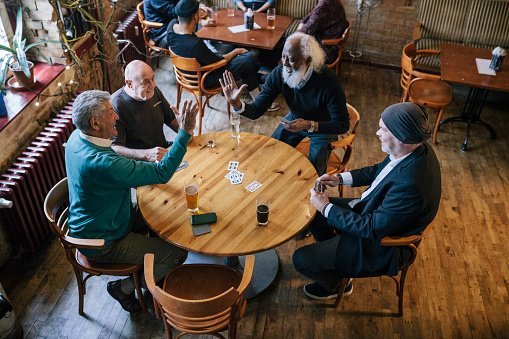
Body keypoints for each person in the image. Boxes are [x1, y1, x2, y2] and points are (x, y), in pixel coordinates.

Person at [292, 102, 442, 300]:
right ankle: (334, 253)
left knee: (300, 259)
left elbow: (371, 228)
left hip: (380, 245)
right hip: (373, 214)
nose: (377, 132)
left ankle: (335, 285)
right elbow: (379, 171)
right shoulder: (414, 149)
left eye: (383, 129)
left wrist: (326, 207)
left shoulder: (411, 186)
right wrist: (339, 178)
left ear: (401, 136)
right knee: (314, 214)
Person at [65, 90, 198, 312]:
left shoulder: (76, 138)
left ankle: (150, 270)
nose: (117, 116)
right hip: (104, 241)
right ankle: (125, 287)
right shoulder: (103, 163)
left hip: (103, 216)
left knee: (166, 214)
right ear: (95, 122)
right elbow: (162, 173)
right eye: (110, 112)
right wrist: (184, 132)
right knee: (177, 253)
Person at [220, 32, 349, 175]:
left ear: (308, 59)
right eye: (283, 56)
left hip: (323, 126)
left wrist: (309, 124)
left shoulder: (328, 82)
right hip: (295, 118)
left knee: (312, 169)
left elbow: (342, 125)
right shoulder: (278, 74)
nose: (285, 63)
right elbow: (257, 110)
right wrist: (237, 104)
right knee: (272, 151)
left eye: (292, 59)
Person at [166, 0, 271, 105]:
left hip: (187, 76)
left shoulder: (171, 26)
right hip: (204, 79)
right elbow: (220, 61)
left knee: (242, 59)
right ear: (194, 16)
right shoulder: (195, 44)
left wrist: (200, 20)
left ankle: (257, 80)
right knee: (249, 59)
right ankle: (260, 101)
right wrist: (236, 51)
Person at [111, 60, 178, 162]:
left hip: (163, 151)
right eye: (146, 81)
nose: (153, 85)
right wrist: (146, 154)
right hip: (139, 163)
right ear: (129, 84)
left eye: (152, 78)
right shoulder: (116, 105)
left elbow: (171, 119)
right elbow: (115, 148)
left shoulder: (153, 91)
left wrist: (185, 129)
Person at [144, 0, 210, 46]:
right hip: (162, 33)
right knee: (201, 33)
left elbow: (182, 4)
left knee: (207, 29)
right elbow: (175, 13)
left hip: (174, 23)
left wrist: (197, 6)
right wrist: (199, 18)